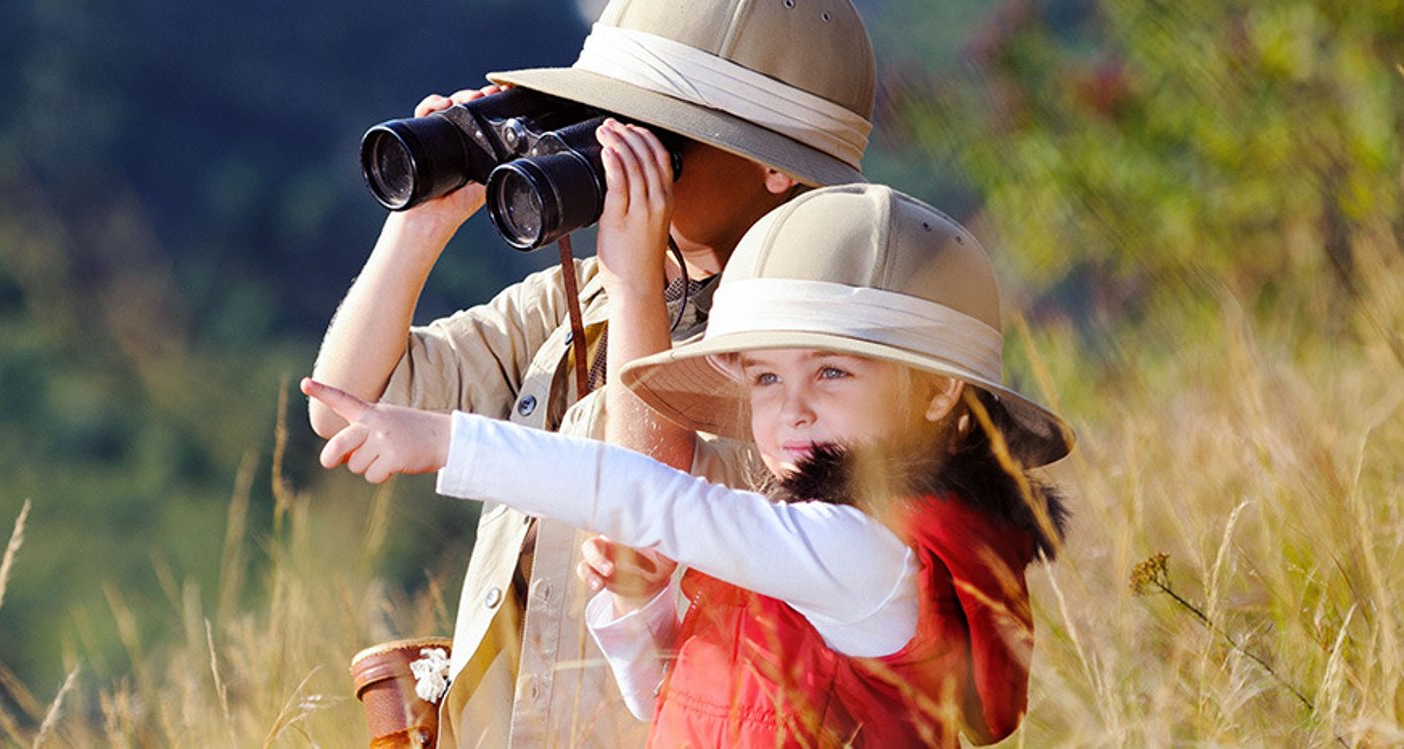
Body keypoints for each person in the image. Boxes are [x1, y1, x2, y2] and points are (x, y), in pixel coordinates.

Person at [302, 183, 1076, 746]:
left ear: (938, 391)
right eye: (766, 378)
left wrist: (446, 440)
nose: (792, 407)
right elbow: (666, 701)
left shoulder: (869, 553)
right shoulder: (796, 541)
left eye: (833, 373)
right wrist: (637, 610)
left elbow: (660, 501)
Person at [308, 0, 878, 744]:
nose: (617, 150)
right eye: (607, 119)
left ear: (774, 163)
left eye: (658, 134)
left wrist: (638, 280)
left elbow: (650, 503)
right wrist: (424, 221)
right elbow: (348, 405)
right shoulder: (589, 297)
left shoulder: (804, 359)